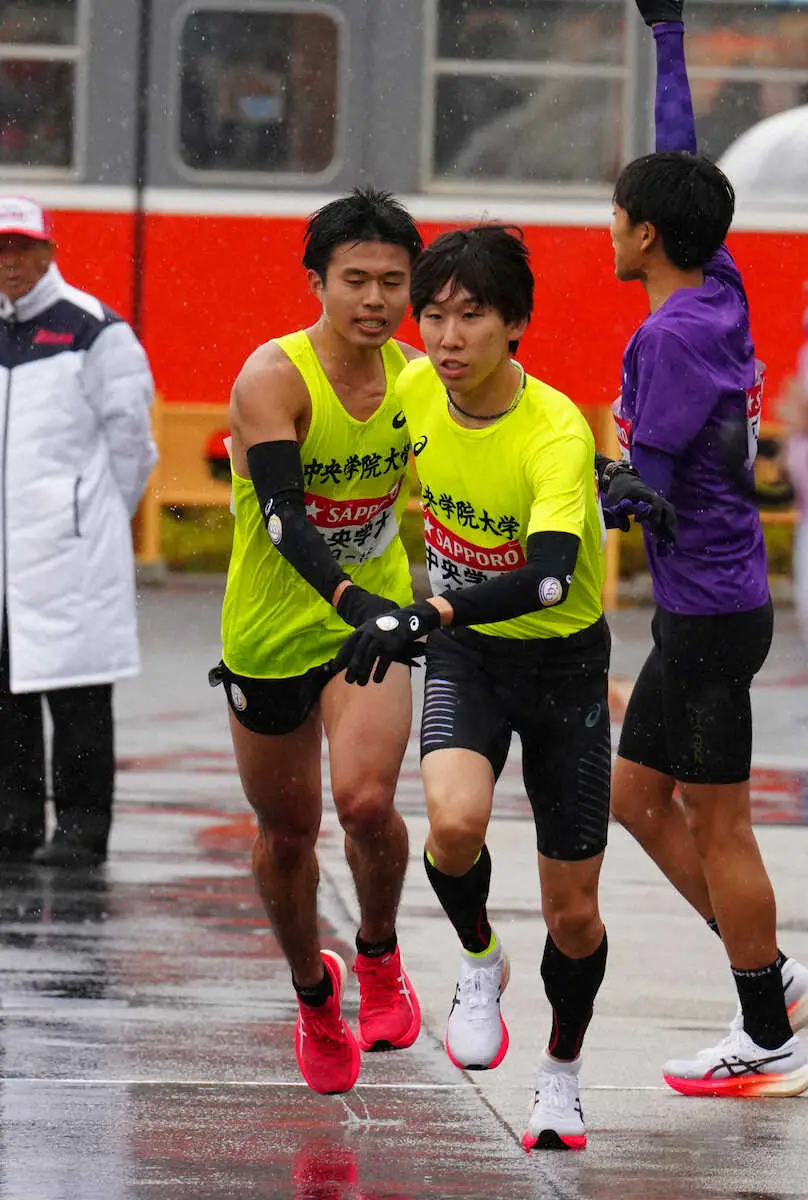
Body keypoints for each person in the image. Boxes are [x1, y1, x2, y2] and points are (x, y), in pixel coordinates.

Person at [334, 224, 675, 1150]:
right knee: (452, 826)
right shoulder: (413, 387)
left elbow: (551, 578)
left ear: (516, 323)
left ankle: (561, 1075)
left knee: (575, 914)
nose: (447, 339)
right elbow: (328, 369)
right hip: (469, 658)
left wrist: (428, 612)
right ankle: (480, 958)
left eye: (473, 317)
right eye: (434, 316)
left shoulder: (555, 429)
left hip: (562, 668)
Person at [604, 0, 808, 1097]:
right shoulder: (717, 286)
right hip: (710, 606)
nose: (609, 225)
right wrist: (667, 34)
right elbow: (680, 160)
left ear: (645, 236)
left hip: (710, 615)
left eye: (617, 213)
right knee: (637, 798)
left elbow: (648, 487)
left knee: (721, 823)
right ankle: (769, 973)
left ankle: (765, 1030)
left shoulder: (668, 338)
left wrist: (592, 493)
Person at [211, 187, 424, 1097]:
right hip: (271, 628)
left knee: (366, 803)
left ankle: (378, 953)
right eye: (355, 280)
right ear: (317, 283)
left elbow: (507, 449)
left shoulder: (420, 380)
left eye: (392, 283)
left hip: (368, 625)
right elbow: (284, 518)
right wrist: (346, 593)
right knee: (288, 835)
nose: (375, 300)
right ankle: (313, 993)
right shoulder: (273, 378)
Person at [0, 195, 157, 868]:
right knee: (7, 691)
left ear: (49, 253)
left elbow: (132, 445)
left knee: (79, 693)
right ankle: (12, 823)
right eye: (1, 249)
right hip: (8, 548)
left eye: (23, 248)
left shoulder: (93, 329)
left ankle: (82, 829)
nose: (11, 262)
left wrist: (89, 515)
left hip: (72, 545)